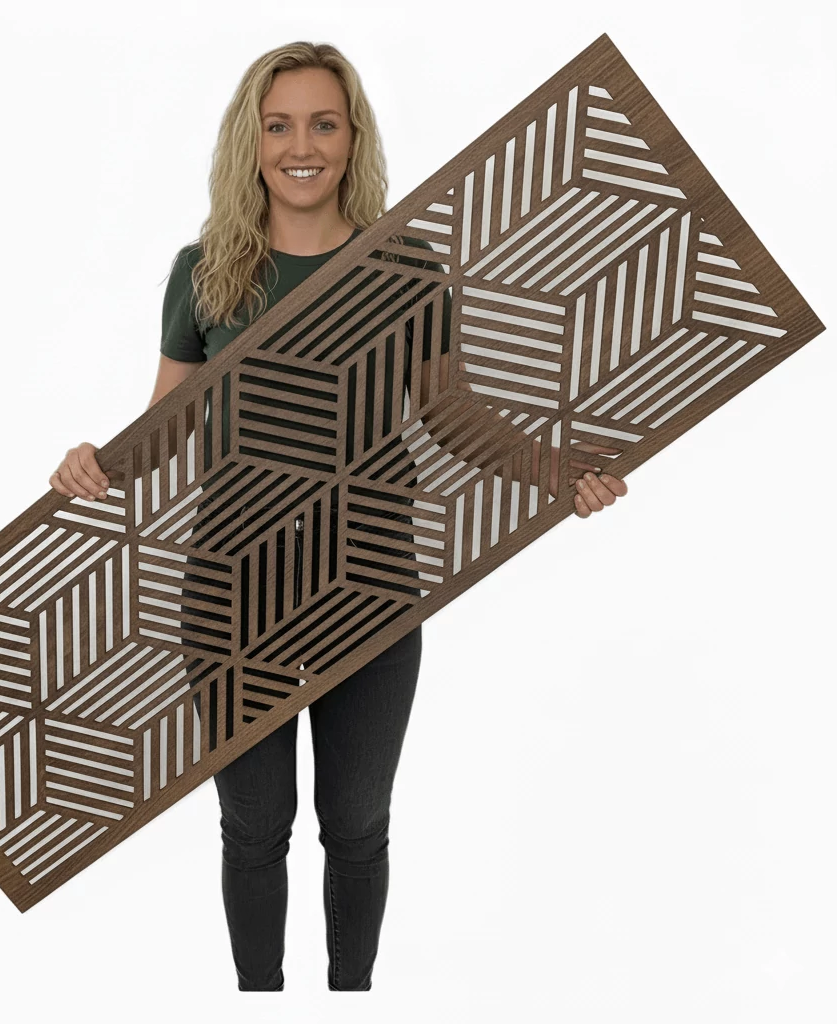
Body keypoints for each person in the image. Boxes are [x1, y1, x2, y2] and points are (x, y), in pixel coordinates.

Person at [49, 41, 629, 992]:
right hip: (232, 588)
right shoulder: (207, 271)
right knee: (254, 826)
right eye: (279, 126)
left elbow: (450, 416)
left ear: (353, 136)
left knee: (357, 826)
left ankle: (351, 999)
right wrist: (96, 462)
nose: (301, 146)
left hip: (371, 580)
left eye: (324, 123)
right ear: (251, 141)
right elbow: (168, 426)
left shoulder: (402, 264)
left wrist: (557, 473)